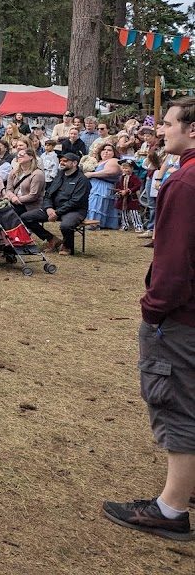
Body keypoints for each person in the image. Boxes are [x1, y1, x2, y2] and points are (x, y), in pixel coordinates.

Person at [103, 97, 195, 541]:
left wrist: (153, 310)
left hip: (181, 317)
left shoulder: (185, 182)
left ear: (192, 129)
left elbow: (174, 263)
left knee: (175, 402)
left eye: (169, 122)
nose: (161, 128)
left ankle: (171, 509)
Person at [20, 152, 89, 255]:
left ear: (74, 163)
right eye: (60, 160)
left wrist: (57, 212)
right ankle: (51, 239)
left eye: (65, 161)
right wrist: (48, 208)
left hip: (74, 210)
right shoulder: (60, 175)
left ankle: (67, 246)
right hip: (53, 209)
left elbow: (76, 201)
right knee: (25, 217)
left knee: (66, 225)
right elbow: (48, 194)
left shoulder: (82, 180)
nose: (61, 162)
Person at [87, 142, 122, 229]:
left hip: (103, 186)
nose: (106, 152)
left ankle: (94, 224)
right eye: (104, 150)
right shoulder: (98, 162)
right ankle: (89, 222)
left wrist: (91, 174)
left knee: (97, 204)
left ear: (114, 153)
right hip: (93, 185)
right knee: (92, 204)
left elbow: (110, 172)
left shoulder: (114, 160)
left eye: (109, 150)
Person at [3, 148, 45, 214]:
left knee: (8, 214)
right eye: (18, 155)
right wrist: (13, 197)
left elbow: (33, 196)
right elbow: (8, 189)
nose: (19, 156)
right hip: (13, 201)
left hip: (29, 205)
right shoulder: (14, 172)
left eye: (22, 155)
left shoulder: (37, 174)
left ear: (31, 157)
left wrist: (17, 199)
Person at [114, 158, 144, 231]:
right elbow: (118, 185)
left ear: (131, 168)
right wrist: (119, 191)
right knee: (123, 212)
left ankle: (138, 226)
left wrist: (128, 190)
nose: (124, 170)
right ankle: (125, 225)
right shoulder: (121, 177)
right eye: (123, 168)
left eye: (126, 168)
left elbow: (137, 185)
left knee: (134, 212)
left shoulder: (134, 178)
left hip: (132, 198)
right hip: (123, 198)